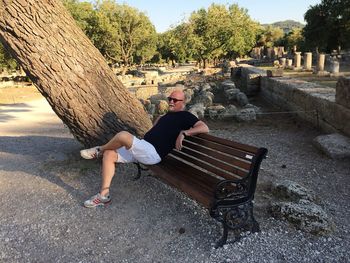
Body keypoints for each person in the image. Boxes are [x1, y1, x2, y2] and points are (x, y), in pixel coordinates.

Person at [80, 90, 209, 208]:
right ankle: (103, 196)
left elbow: (204, 127)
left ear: (183, 103)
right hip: (144, 148)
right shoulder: (163, 117)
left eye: (175, 100)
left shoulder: (185, 116)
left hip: (153, 154)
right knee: (109, 154)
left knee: (123, 135)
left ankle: (98, 150)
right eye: (170, 98)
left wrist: (185, 133)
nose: (171, 102)